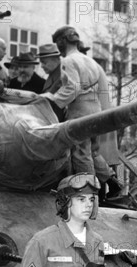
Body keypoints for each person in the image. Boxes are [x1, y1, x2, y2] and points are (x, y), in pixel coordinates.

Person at [40, 27, 103, 176]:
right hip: (96, 111)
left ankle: (87, 192)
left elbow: (72, 89)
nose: (58, 47)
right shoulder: (90, 60)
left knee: (81, 154)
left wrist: (51, 99)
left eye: (57, 43)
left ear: (62, 42)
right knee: (92, 153)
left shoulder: (68, 61)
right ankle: (108, 187)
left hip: (80, 113)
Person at [38, 43, 66, 121]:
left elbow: (49, 98)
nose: (42, 66)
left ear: (56, 60)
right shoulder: (53, 74)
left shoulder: (62, 76)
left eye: (44, 62)